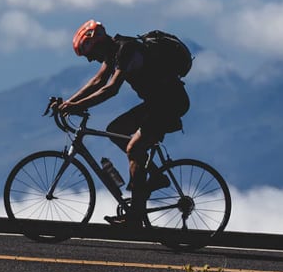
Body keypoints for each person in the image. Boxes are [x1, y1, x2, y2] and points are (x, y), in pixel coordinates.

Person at [59, 20, 190, 227]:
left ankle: (135, 216)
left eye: (91, 54)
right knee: (115, 131)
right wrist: (69, 103)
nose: (91, 60)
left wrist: (76, 106)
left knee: (134, 148)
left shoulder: (126, 49)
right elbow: (98, 81)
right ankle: (154, 176)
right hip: (156, 103)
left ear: (99, 43)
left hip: (170, 103)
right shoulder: (114, 51)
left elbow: (111, 89)